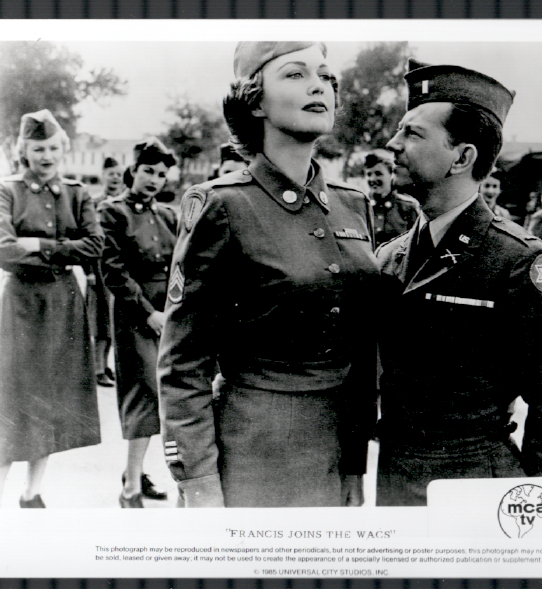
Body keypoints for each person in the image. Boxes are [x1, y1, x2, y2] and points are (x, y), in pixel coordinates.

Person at [157, 41, 379, 508]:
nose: (319, 86)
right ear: (254, 101)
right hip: (252, 449)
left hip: (334, 451)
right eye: (296, 74)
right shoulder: (222, 205)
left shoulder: (354, 205)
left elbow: (362, 352)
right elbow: (183, 364)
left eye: (326, 77)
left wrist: (355, 464)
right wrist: (198, 482)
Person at [375, 59, 542, 506]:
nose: (393, 145)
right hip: (395, 475)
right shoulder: (390, 255)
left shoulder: (521, 263)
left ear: (462, 157)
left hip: (475, 479)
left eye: (412, 134)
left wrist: (530, 496)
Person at [0, 109, 103, 508]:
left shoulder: (77, 194)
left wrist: (38, 245)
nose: (47, 156)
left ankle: (32, 492)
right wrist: (64, 251)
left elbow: (95, 246)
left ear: (64, 149)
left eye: (54, 148)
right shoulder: (6, 191)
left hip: (62, 304)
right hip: (22, 304)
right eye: (38, 148)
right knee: (13, 396)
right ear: (24, 150)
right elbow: (3, 252)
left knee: (51, 396)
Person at [98, 138, 177, 508]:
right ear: (133, 171)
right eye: (148, 171)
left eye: (161, 174)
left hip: (168, 314)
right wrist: (148, 313)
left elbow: (179, 265)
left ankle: (135, 475)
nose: (154, 180)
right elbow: (113, 271)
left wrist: (173, 309)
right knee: (143, 394)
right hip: (134, 314)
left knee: (164, 395)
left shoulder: (169, 216)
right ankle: (130, 489)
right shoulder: (112, 212)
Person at [87, 157, 125, 387]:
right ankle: (97, 368)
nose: (115, 178)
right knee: (100, 320)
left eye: (119, 174)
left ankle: (105, 365)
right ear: (103, 176)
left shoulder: (123, 202)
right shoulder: (94, 203)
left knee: (112, 319)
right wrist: (89, 271)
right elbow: (87, 237)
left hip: (117, 267)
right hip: (99, 268)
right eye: (111, 174)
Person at [362, 151, 420, 245]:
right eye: (369, 174)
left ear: (391, 174)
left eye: (378, 174)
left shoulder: (408, 207)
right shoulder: (361, 207)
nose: (372, 179)